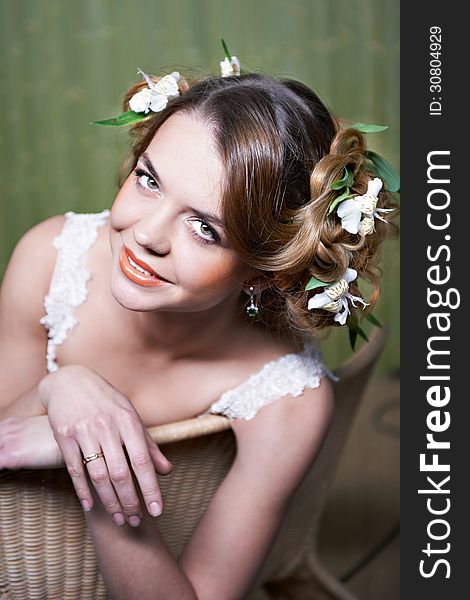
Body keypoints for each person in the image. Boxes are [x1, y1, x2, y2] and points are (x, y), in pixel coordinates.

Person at [0, 51, 397, 599]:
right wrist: (62, 387)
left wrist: (100, 470)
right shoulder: (48, 258)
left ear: (264, 270)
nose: (147, 234)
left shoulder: (287, 400)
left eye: (206, 229)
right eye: (148, 180)